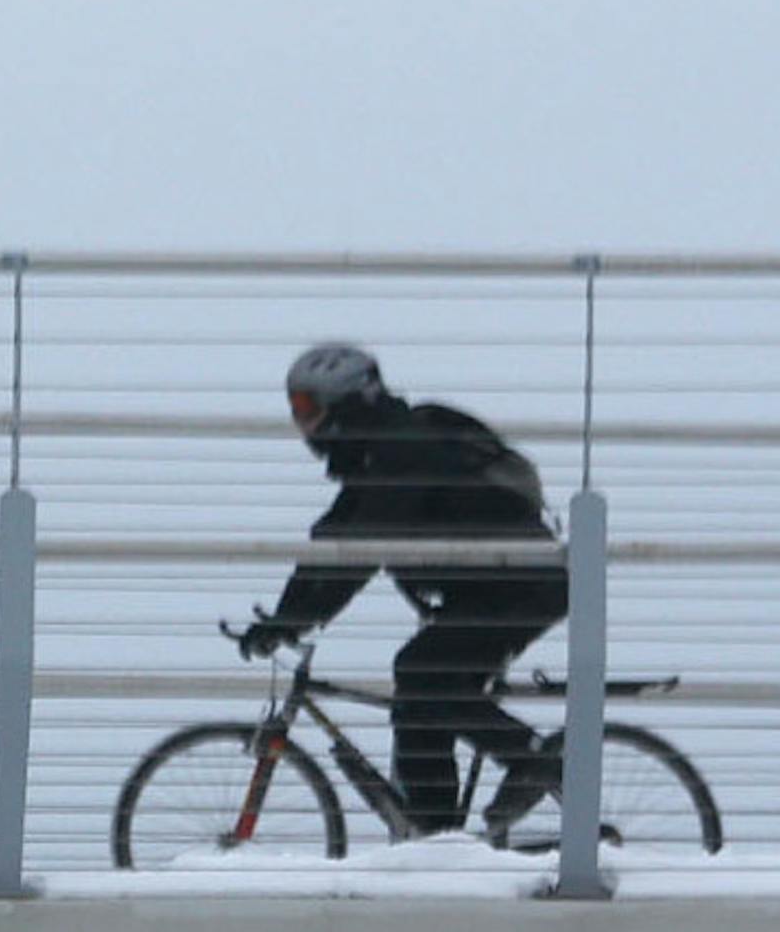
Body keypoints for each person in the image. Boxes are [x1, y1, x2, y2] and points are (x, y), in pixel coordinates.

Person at [241, 342, 570, 840]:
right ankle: (437, 836)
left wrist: (294, 622)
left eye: (307, 408)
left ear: (347, 402)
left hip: (522, 586)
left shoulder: (406, 450)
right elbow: (332, 543)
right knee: (419, 691)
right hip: (491, 590)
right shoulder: (378, 458)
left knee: (423, 674)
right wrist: (284, 616)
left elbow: (364, 547)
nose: (300, 423)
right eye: (295, 409)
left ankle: (533, 761)